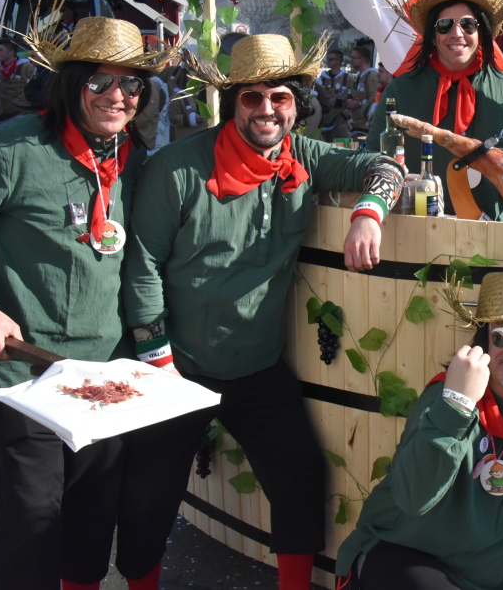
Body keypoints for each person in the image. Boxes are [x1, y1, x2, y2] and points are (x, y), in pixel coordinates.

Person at [122, 33, 405, 590]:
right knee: (148, 494)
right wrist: (158, 362)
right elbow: (142, 266)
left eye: (280, 96)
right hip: (176, 366)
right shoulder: (177, 169)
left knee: (300, 479)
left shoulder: (303, 156)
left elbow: (383, 167)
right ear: (233, 104)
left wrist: (368, 214)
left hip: (256, 367)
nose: (268, 110)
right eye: (252, 97)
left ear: (298, 103)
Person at [0, 17, 180, 590]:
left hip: (106, 374)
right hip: (28, 372)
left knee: (92, 520)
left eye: (131, 85)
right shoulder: (13, 149)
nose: (117, 96)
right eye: (99, 82)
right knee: (32, 527)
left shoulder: (133, 161)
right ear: (71, 84)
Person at [335, 271, 503, 590]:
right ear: (483, 343)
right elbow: (413, 499)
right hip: (402, 554)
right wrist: (458, 402)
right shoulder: (444, 398)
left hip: (484, 577)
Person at [367, 0, 503, 220]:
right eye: (445, 26)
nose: (457, 33)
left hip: (492, 236)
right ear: (433, 37)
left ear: (481, 33)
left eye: (468, 24)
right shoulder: (399, 91)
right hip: (414, 232)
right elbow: (372, 160)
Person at [0, 39, 35, 125]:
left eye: (1, 50)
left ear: (11, 53)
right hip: (0, 116)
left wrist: (29, 95)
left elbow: (37, 85)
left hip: (19, 114)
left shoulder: (26, 67)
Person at [317, 48, 353, 140]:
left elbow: (353, 97)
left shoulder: (347, 78)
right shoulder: (322, 78)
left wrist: (343, 115)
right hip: (324, 123)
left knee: (341, 149)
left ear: (338, 61)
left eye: (330, 59)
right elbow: (317, 96)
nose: (327, 61)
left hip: (340, 123)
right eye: (328, 59)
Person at [346, 43, 379, 136]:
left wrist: (358, 104)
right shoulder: (360, 77)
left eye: (353, 58)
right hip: (358, 125)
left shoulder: (372, 76)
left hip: (367, 128)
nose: (350, 60)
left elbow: (376, 100)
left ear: (361, 60)